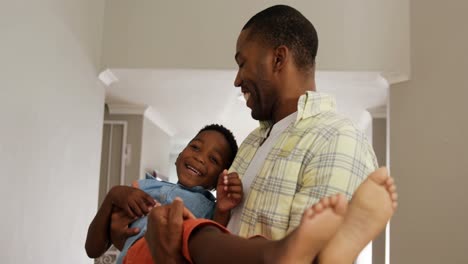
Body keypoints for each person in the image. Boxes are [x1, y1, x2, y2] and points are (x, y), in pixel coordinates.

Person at [110, 4, 381, 263]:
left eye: (243, 63)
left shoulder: (338, 139)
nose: (237, 80)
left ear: (278, 59)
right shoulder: (252, 143)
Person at [85, 124, 241, 263]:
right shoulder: (143, 188)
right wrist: (112, 196)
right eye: (195, 147)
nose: (199, 158)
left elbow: (212, 249)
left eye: (213, 159)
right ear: (179, 155)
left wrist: (222, 209)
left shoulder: (211, 208)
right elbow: (92, 250)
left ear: (218, 178)